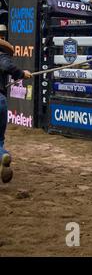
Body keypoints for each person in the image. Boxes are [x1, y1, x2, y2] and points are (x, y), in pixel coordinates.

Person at [0, 38, 32, 183]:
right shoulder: (1, 55)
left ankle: (2, 156)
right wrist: (21, 74)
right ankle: (2, 156)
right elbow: (7, 66)